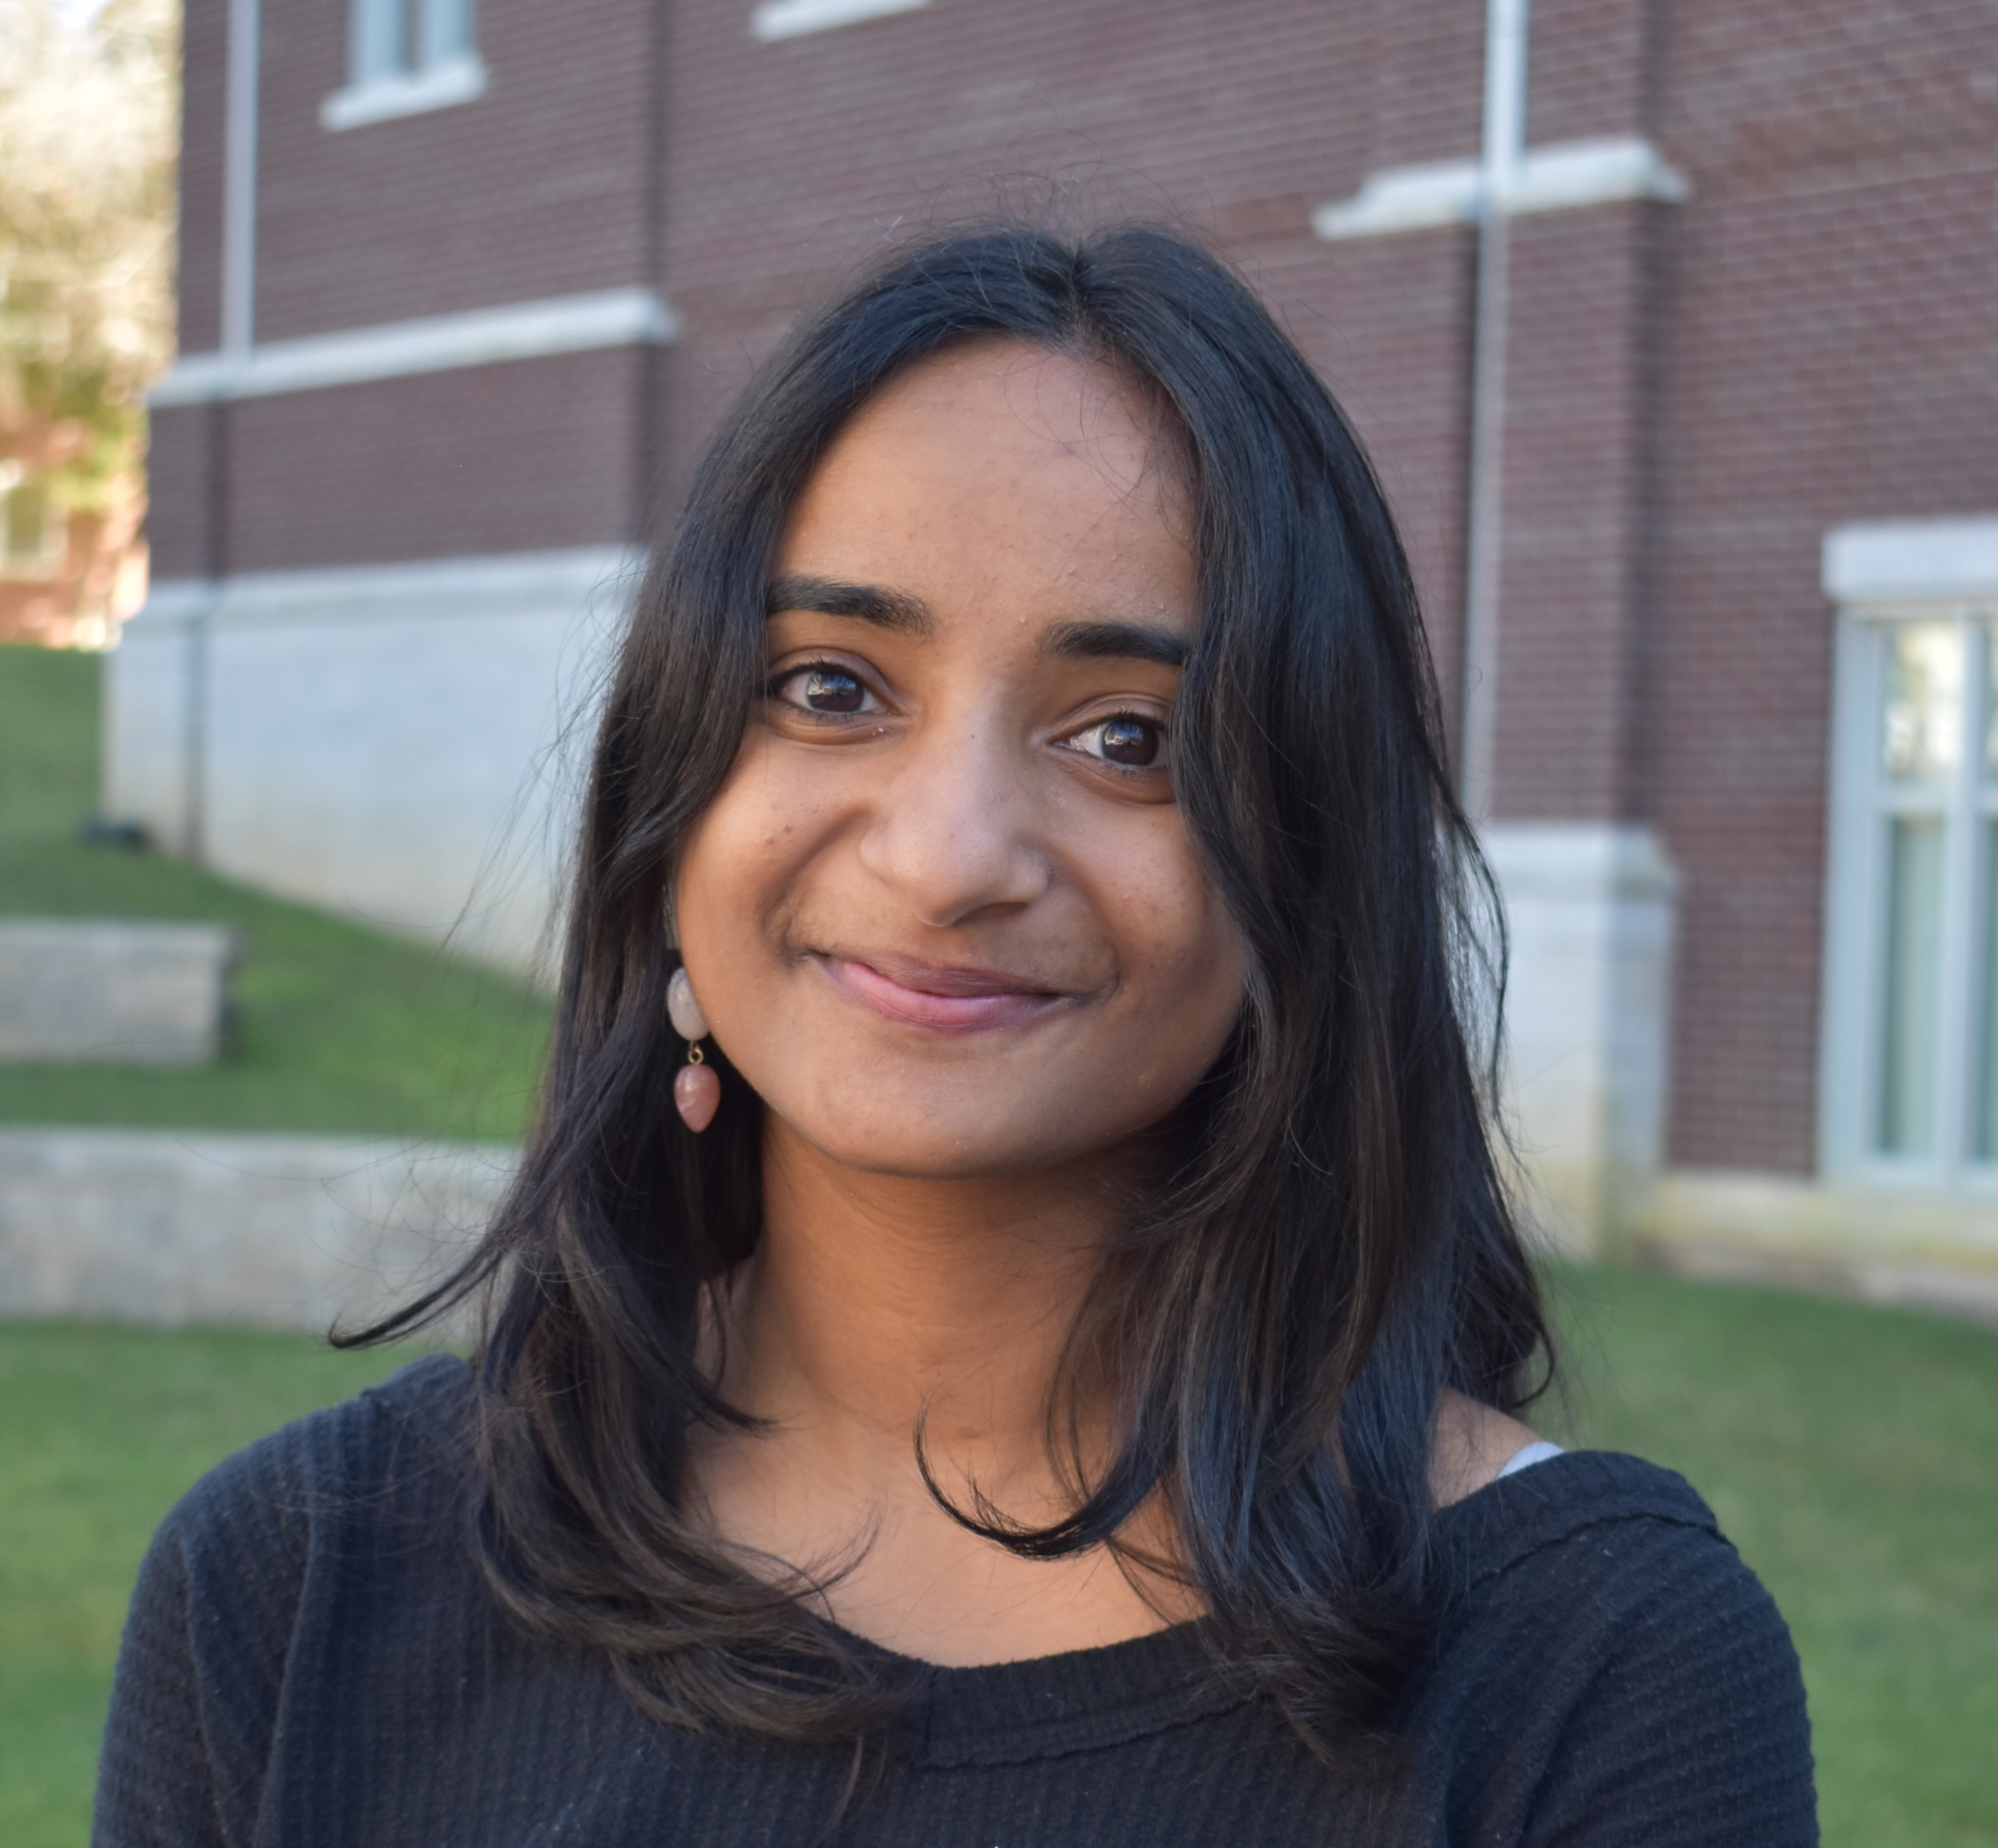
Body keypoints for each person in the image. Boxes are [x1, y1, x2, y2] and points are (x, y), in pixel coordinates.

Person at [94, 223, 1816, 1846]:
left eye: (1126, 735)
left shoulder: (1592, 1664)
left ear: (1305, 863)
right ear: (675, 790)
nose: (945, 855)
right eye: (830, 686)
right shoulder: (292, 1586)